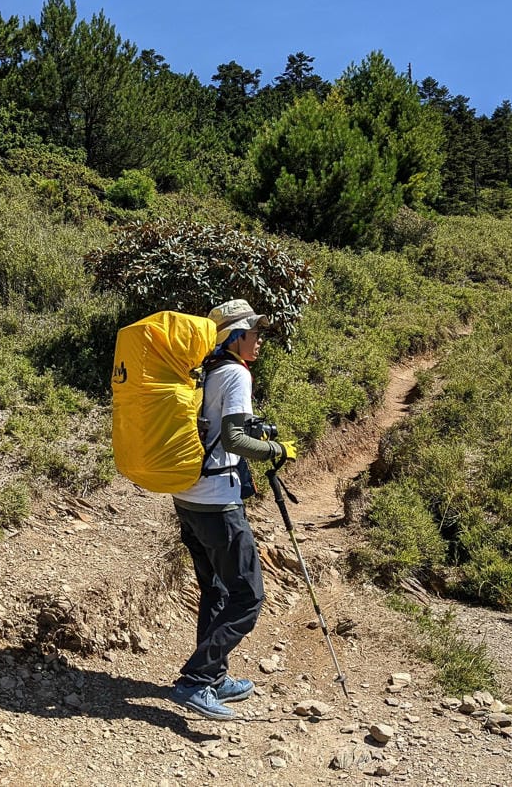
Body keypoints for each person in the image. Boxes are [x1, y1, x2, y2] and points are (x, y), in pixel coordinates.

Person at [168, 299, 296, 721]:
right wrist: (278, 449)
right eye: (253, 333)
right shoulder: (236, 374)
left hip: (187, 495)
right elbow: (238, 440)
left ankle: (215, 675)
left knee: (216, 589)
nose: (258, 341)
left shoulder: (206, 371)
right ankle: (195, 680)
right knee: (247, 596)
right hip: (217, 501)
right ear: (236, 337)